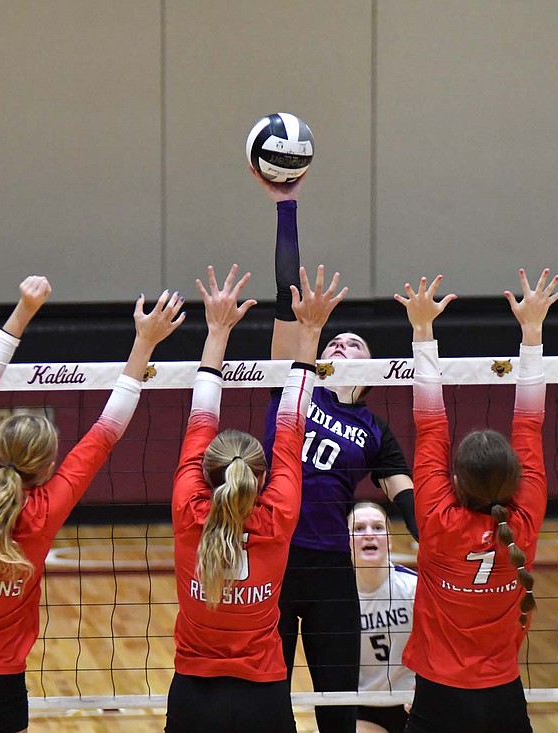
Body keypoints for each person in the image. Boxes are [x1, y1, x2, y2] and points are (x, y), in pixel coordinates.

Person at [0, 275, 183, 733]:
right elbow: (108, 428)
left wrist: (24, 308)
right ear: (47, 467)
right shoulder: (44, 512)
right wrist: (144, 343)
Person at [254, 170, 418, 733]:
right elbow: (285, 296)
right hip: (272, 557)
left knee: (337, 708)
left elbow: (409, 502)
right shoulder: (295, 386)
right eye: (334, 340)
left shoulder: (375, 429)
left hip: (330, 570)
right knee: (266, 696)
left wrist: (451, 553)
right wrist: (286, 209)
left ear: (371, 370)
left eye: (356, 343)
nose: (342, 342)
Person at [167, 264, 347, 733]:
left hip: (193, 693)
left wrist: (217, 332)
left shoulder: (189, 510)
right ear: (262, 477)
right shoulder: (279, 514)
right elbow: (291, 424)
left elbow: (201, 413)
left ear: (204, 472)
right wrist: (310, 334)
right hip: (263, 696)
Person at [395, 269, 558, 733]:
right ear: (515, 477)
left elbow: (430, 424)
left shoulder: (437, 518)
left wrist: (422, 329)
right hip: (502, 695)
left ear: (454, 480)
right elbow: (529, 422)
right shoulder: (524, 518)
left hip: (437, 693)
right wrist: (533, 331)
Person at [348, 503, 415, 733]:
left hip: (412, 702)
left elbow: (442, 646)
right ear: (345, 542)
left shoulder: (414, 589)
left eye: (377, 527)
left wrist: (429, 690)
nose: (369, 534)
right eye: (358, 528)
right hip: (362, 706)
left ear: (389, 540)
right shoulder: (336, 599)